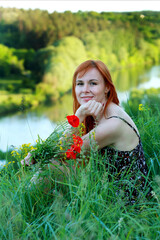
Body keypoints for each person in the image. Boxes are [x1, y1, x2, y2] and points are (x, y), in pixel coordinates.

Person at [22, 59, 151, 203]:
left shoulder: (112, 124)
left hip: (127, 203)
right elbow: (66, 150)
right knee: (53, 167)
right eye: (80, 84)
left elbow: (65, 152)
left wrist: (79, 115)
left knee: (51, 166)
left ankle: (25, 211)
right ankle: (32, 209)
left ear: (107, 87)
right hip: (106, 188)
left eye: (93, 83)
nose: (84, 90)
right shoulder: (104, 110)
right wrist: (38, 154)